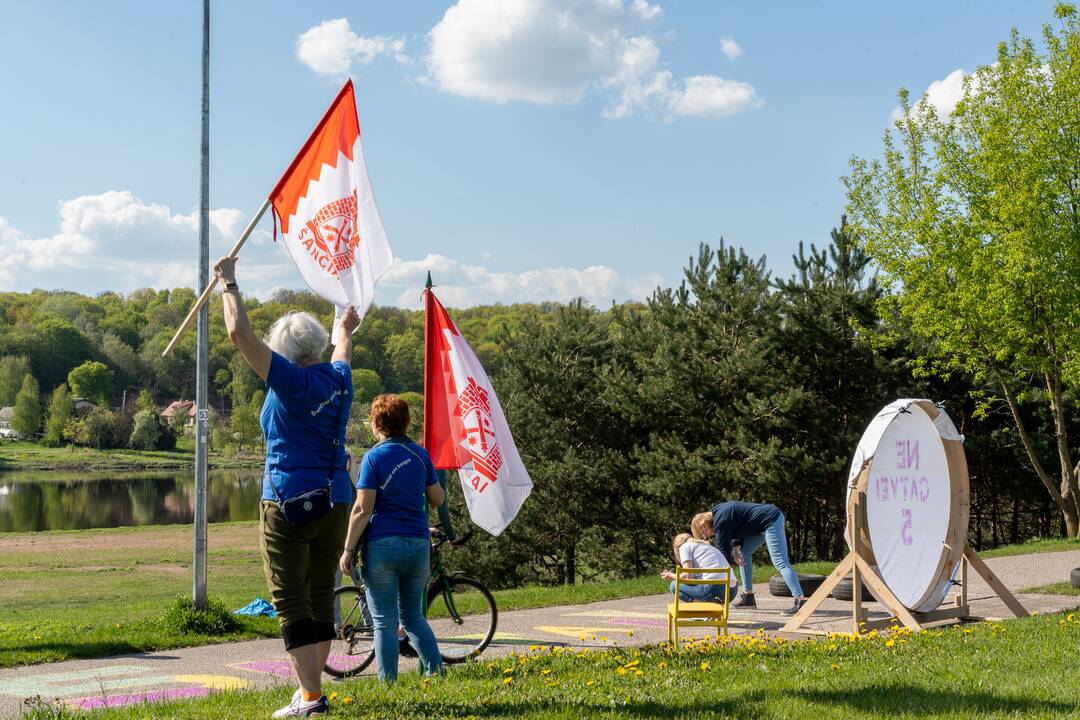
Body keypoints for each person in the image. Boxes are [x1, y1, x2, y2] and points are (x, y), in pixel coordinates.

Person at [213, 256, 359, 718]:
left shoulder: (291, 382)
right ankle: (311, 692)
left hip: (288, 501)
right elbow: (341, 351)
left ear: (285, 353)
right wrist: (345, 326)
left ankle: (311, 697)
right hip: (336, 499)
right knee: (320, 594)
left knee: (290, 598)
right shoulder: (339, 379)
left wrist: (229, 283)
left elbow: (240, 336)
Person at [338, 394, 446, 683]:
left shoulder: (374, 457)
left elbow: (362, 509)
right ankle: (437, 673)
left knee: (384, 622)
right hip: (417, 545)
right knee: (412, 617)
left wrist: (348, 550)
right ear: (405, 421)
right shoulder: (420, 455)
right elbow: (437, 497)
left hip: (383, 546)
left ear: (377, 423)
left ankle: (389, 685)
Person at [691, 501, 806, 616]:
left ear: (704, 525)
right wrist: (736, 551)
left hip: (771, 520)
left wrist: (721, 584)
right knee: (744, 554)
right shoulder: (717, 512)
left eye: (702, 532)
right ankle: (748, 597)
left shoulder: (719, 523)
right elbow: (739, 524)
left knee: (780, 561)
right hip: (758, 525)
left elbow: (724, 558)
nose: (706, 536)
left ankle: (799, 599)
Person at [660, 533, 738, 602]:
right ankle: (710, 609)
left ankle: (703, 611)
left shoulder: (684, 547)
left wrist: (671, 576)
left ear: (677, 548)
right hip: (732, 591)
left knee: (674, 585)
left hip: (714, 588)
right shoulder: (704, 545)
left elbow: (688, 577)